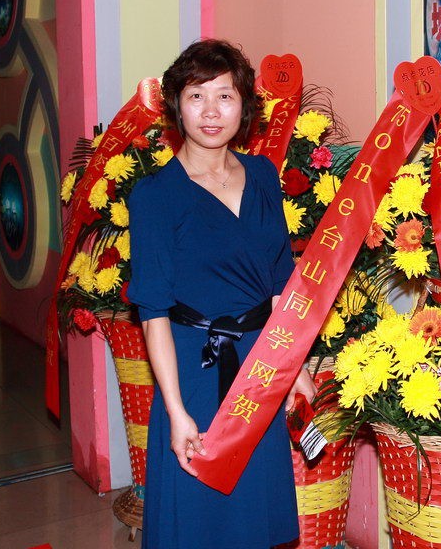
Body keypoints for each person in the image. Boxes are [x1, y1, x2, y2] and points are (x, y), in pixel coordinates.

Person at [128, 39, 315, 549]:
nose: (211, 111)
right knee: (196, 511)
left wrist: (293, 367)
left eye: (225, 96)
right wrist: (176, 410)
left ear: (244, 106)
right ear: (176, 105)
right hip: (193, 366)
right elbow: (152, 313)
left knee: (254, 504)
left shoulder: (262, 175)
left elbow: (279, 284)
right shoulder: (155, 195)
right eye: (196, 96)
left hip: (259, 363)